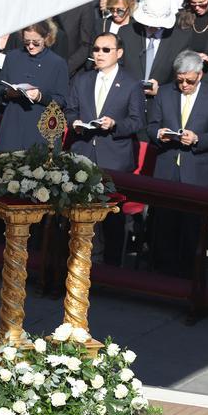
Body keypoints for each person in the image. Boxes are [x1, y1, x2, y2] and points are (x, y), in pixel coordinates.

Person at [65, 32, 146, 266]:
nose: (99, 54)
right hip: (83, 153)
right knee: (79, 214)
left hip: (114, 158)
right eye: (96, 49)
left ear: (118, 53)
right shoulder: (83, 79)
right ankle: (78, 261)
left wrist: (115, 125)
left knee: (110, 217)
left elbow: (137, 121)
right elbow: (70, 110)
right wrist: (75, 123)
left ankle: (110, 268)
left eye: (105, 50)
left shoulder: (131, 84)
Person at [147, 50, 208, 275]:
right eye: (180, 80)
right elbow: (150, 126)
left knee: (192, 228)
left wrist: (198, 139)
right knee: (163, 224)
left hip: (196, 170)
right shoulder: (164, 93)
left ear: (200, 75)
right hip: (166, 166)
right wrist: (158, 133)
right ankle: (161, 274)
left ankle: (188, 276)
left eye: (189, 80)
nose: (184, 85)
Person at [0, 21, 70, 151]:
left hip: (40, 127)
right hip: (13, 124)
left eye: (35, 42)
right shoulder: (12, 57)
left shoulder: (57, 63)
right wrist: (8, 93)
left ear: (46, 38)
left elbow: (62, 100)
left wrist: (40, 97)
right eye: (26, 42)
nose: (30, 46)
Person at [123, 0, 194, 122]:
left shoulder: (181, 39)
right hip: (126, 107)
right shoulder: (127, 33)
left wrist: (160, 90)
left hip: (159, 110)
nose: (152, 28)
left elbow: (182, 77)